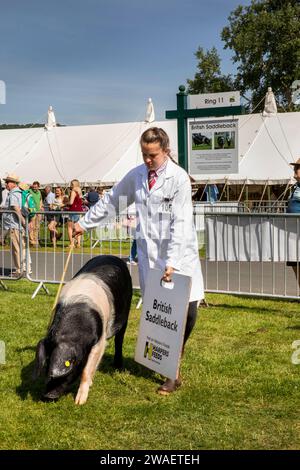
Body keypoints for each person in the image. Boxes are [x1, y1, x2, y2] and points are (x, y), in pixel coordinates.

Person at [73, 127, 204, 395]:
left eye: (152, 155)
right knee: (161, 315)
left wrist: (174, 261)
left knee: (187, 311)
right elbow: (112, 201)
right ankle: (172, 372)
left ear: (165, 151)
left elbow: (181, 222)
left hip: (179, 255)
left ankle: (176, 354)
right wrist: (83, 224)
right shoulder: (137, 176)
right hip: (151, 256)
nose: (147, 160)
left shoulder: (178, 179)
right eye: (144, 154)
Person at [1, 174, 26, 276]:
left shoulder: (13, 194)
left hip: (14, 225)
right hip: (15, 225)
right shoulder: (16, 193)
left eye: (8, 182)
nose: (6, 184)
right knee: (20, 248)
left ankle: (19, 270)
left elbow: (16, 209)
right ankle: (22, 268)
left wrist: (23, 223)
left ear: (13, 183)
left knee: (16, 249)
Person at [287, 158, 300, 287]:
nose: (295, 169)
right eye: (295, 167)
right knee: (294, 263)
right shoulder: (295, 187)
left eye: (298, 167)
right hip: (292, 232)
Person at [67, 179, 83, 248]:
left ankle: (72, 243)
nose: (70, 186)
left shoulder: (73, 191)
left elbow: (71, 202)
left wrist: (64, 204)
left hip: (73, 210)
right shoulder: (80, 191)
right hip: (79, 211)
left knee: (70, 227)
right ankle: (78, 243)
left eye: (71, 184)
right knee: (78, 227)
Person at [29, 181, 43, 247]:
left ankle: (36, 240)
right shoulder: (29, 191)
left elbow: (40, 200)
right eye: (33, 187)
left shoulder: (39, 192)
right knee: (32, 226)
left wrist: (41, 207)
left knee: (37, 227)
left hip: (38, 212)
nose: (34, 188)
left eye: (36, 187)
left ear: (38, 187)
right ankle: (32, 241)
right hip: (32, 211)